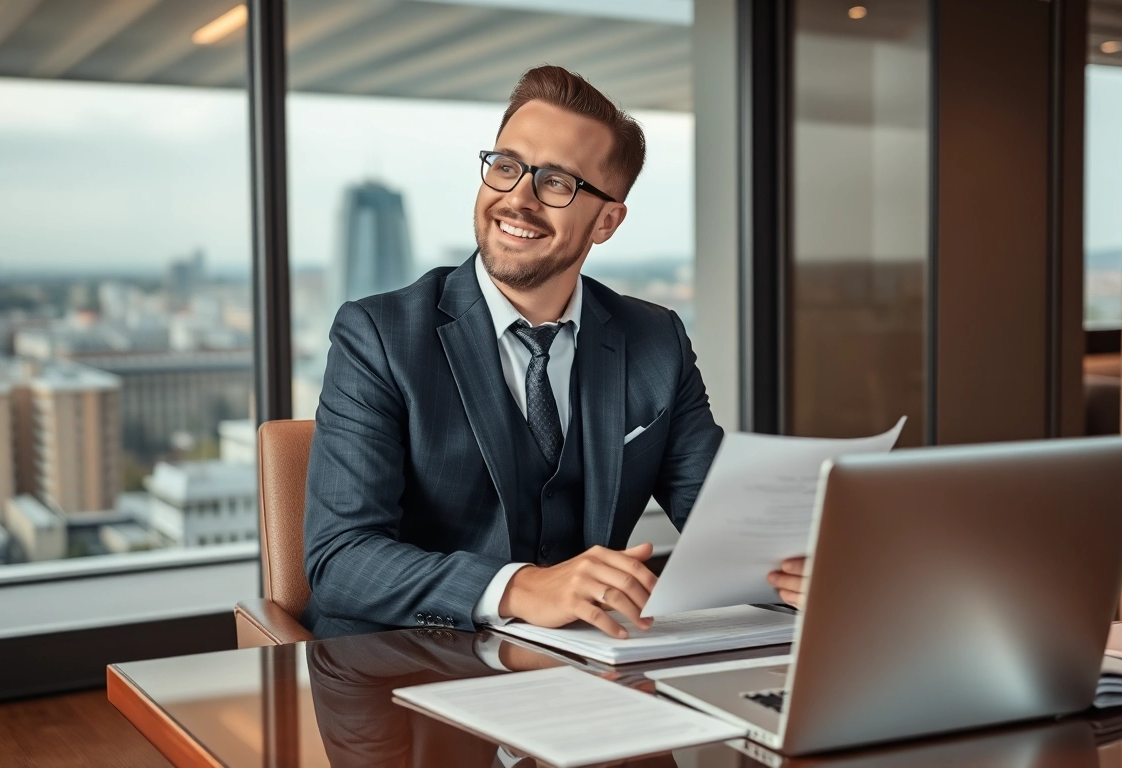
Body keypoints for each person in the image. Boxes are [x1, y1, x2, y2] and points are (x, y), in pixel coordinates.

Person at [301, 65, 803, 640]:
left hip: (586, 667)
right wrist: (518, 588)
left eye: (558, 182)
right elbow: (340, 560)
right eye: (507, 167)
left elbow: (726, 528)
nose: (517, 199)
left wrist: (797, 569)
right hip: (406, 670)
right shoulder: (379, 335)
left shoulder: (656, 340)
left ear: (607, 221)